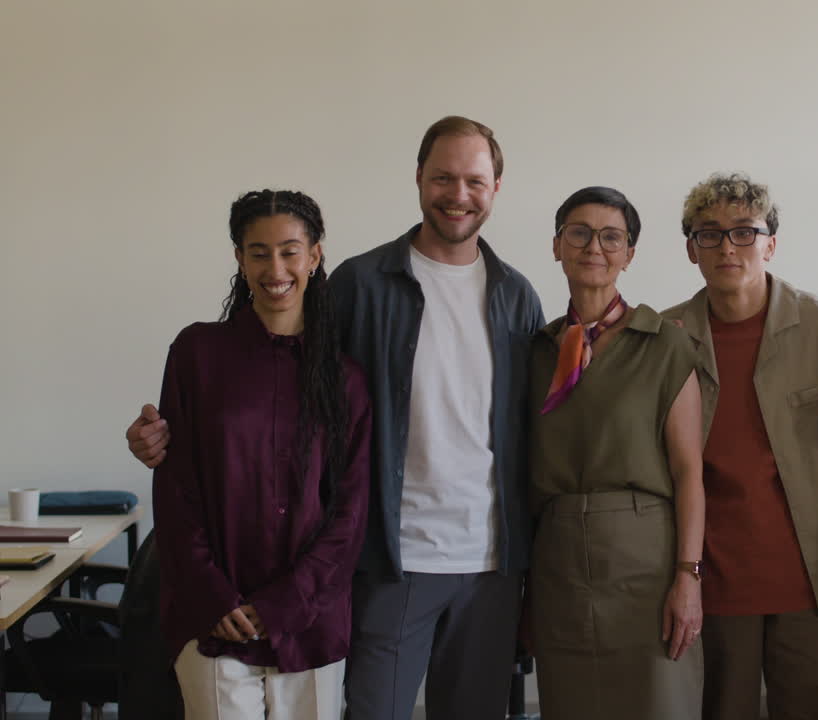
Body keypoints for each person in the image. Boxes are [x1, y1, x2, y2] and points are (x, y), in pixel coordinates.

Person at [128, 116, 545, 720]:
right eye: (443, 177)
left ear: (497, 187)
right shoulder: (361, 284)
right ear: (420, 180)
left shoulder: (517, 295)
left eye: (475, 180)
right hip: (391, 556)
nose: (459, 194)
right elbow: (281, 381)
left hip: (490, 562)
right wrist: (160, 436)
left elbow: (530, 429)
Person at [153, 189, 371, 720]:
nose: (276, 267)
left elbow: (351, 509)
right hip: (214, 619)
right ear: (239, 258)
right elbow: (175, 487)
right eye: (258, 252)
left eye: (290, 250)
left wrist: (285, 602)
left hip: (310, 619)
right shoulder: (196, 354)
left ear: (315, 255)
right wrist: (213, 595)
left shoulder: (344, 379)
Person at [662, 172, 818, 720]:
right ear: (691, 250)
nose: (727, 246)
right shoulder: (664, 338)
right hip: (713, 581)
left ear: (771, 243)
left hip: (812, 581)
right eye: (710, 234)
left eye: (744, 232)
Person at [527, 186, 705, 720]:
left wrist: (688, 576)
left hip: (644, 558)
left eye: (612, 237)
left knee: (657, 703)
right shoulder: (538, 350)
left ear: (629, 254)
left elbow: (689, 470)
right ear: (556, 245)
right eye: (578, 233)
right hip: (557, 560)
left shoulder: (663, 344)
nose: (594, 248)